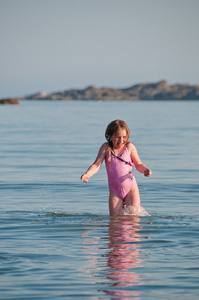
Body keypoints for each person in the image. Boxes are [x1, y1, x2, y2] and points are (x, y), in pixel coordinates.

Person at [81, 120, 152, 216]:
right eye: (118, 137)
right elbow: (96, 165)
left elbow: (138, 165)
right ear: (110, 136)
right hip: (115, 192)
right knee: (115, 221)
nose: (121, 140)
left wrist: (145, 170)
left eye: (124, 137)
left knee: (133, 218)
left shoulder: (129, 147)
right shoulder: (106, 148)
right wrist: (87, 174)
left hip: (131, 189)